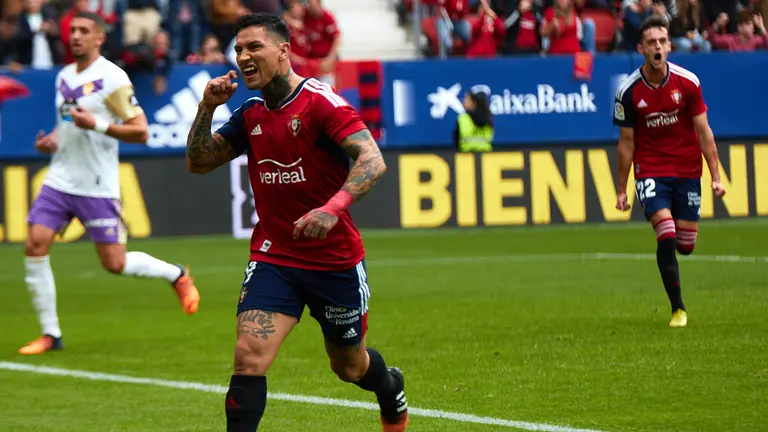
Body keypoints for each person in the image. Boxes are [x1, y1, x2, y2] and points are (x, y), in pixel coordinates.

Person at [184, 13, 408, 432]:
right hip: (275, 256)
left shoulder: (320, 101)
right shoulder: (250, 114)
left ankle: (389, 385)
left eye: (254, 47)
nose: (243, 57)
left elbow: (372, 159)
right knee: (249, 355)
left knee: (350, 366)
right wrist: (207, 106)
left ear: (284, 51)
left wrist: (332, 208)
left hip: (333, 259)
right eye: (238, 50)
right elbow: (199, 163)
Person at [19, 12, 200, 355]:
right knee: (35, 244)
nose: (75, 36)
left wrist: (97, 126)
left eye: (84, 31)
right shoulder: (65, 76)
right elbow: (68, 124)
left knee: (114, 263)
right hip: (60, 178)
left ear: (99, 38)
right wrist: (52, 142)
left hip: (97, 184)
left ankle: (175, 274)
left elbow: (142, 131)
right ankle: (51, 334)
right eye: (72, 30)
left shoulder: (112, 79)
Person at [612, 15, 726, 328]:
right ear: (641, 48)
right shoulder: (628, 92)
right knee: (666, 231)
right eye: (651, 42)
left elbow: (704, 132)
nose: (658, 47)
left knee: (686, 245)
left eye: (662, 41)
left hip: (687, 168)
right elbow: (626, 144)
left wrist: (715, 176)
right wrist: (622, 189)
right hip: (650, 170)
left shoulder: (688, 82)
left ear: (670, 46)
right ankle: (678, 309)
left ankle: (672, 250)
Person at [453, 88, 494, 152]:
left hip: (467, 157)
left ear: (474, 103)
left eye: (467, 99)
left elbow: (456, 139)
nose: (463, 101)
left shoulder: (463, 118)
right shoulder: (488, 117)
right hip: (486, 155)